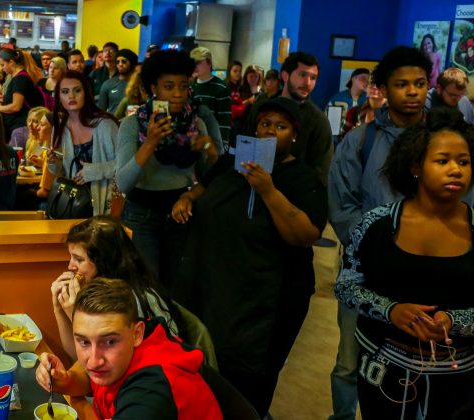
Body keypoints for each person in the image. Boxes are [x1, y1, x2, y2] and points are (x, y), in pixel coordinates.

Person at [335, 109, 474, 419]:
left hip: (459, 376)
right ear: (415, 166)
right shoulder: (376, 225)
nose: (455, 170)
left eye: (463, 162)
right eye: (442, 161)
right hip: (384, 368)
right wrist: (391, 310)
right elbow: (346, 287)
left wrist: (452, 320)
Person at [326, 46, 460, 420]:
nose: (413, 92)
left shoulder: (447, 140)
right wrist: (381, 250)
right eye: (402, 84)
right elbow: (342, 205)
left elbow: (463, 202)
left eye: (419, 83)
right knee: (350, 362)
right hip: (366, 272)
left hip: (429, 272)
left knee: (419, 363)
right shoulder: (361, 140)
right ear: (384, 88)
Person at [173, 97, 327, 418]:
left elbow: (304, 234)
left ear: (294, 135)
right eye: (265, 124)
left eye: (281, 127)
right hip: (217, 287)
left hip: (267, 303)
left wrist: (268, 190)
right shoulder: (234, 163)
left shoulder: (302, 179)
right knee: (206, 368)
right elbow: (205, 186)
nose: (271, 131)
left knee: (246, 386)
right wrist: (188, 197)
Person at [36, 277, 223, 419]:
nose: (94, 360)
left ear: (137, 334)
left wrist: (76, 401)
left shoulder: (149, 395)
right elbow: (88, 374)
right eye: (84, 342)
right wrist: (66, 380)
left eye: (109, 342)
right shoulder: (134, 332)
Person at [116, 50, 221, 287]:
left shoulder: (197, 123)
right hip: (141, 214)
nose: (177, 94)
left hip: (182, 210)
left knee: (179, 285)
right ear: (154, 88)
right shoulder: (133, 124)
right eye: (169, 86)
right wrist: (151, 142)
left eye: (183, 86)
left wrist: (211, 151)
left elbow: (210, 177)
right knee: (147, 286)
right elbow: (123, 182)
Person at [50, 216, 188, 360]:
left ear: (104, 261)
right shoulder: (100, 293)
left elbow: (103, 365)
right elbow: (78, 359)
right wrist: (58, 309)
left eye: (79, 259)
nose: (70, 266)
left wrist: (76, 315)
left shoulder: (132, 301)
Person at [246, 52, 333, 185]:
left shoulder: (318, 120)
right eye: (302, 75)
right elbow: (246, 146)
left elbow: (321, 172)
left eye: (313, 78)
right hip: (253, 183)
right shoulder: (262, 107)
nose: (307, 83)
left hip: (295, 194)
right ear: (285, 75)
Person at [47, 70, 119, 216]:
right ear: (59, 97)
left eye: (77, 90)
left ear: (86, 93)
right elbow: (58, 171)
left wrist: (94, 171)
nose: (71, 96)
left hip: (105, 202)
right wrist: (54, 161)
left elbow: (124, 165)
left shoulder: (105, 125)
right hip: (73, 204)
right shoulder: (60, 126)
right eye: (65, 92)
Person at [0, 47, 43, 141]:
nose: (2, 69)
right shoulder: (17, 77)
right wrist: (5, 99)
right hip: (16, 128)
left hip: (20, 128)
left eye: (3, 65)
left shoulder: (21, 79)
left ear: (11, 62)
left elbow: (16, 106)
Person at [189, 46, 231, 145]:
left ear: (209, 63)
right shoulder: (190, 86)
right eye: (193, 63)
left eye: (198, 62)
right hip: (192, 141)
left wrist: (222, 146)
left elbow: (224, 120)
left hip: (212, 142)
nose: (194, 66)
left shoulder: (221, 87)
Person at [341, 75, 385, 139]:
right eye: (372, 83)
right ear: (366, 87)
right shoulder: (353, 112)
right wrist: (353, 135)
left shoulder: (395, 114)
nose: (375, 87)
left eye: (380, 84)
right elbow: (343, 140)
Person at [97, 49, 138, 114]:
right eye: (117, 62)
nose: (120, 64)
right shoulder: (108, 84)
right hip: (112, 122)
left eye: (124, 61)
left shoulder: (139, 85)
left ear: (132, 63)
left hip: (133, 122)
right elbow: (100, 111)